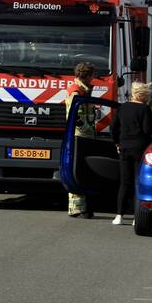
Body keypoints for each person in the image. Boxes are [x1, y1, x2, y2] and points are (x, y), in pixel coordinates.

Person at [110, 82, 152, 225]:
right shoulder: (145, 110)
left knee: (124, 183)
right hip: (140, 149)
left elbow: (113, 127)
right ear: (143, 95)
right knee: (138, 183)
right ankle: (137, 217)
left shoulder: (122, 108)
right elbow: (148, 130)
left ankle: (119, 216)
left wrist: (117, 142)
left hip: (124, 149)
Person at [66, 61, 97, 218]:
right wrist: (86, 129)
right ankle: (77, 209)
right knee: (78, 172)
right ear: (87, 75)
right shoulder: (76, 92)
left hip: (84, 135)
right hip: (80, 136)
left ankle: (82, 207)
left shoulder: (84, 91)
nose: (94, 79)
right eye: (92, 75)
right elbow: (75, 117)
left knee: (82, 172)